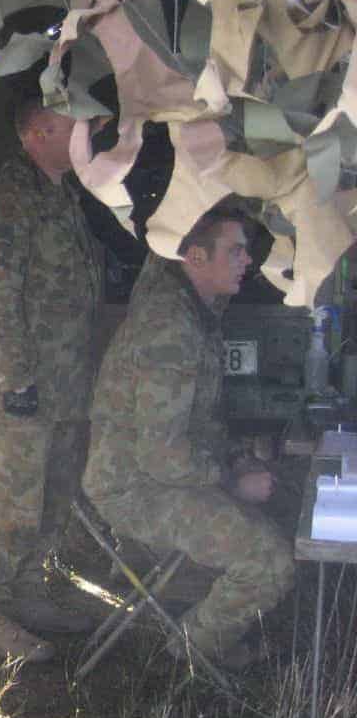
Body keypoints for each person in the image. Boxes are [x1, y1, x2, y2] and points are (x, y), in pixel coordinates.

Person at [83, 207, 295, 668]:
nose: (248, 261)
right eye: (235, 251)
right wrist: (232, 482)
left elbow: (197, 426)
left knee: (281, 504)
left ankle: (207, 630)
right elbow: (161, 453)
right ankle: (193, 652)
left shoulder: (195, 312)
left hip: (162, 476)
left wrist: (237, 459)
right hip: (136, 487)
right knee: (269, 560)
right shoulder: (170, 327)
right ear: (196, 257)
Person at [0, 98, 103, 663]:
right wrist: (16, 378)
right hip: (18, 388)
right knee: (4, 502)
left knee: (49, 496)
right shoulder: (7, 196)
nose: (88, 132)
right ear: (41, 131)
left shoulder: (61, 192)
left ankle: (27, 592)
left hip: (63, 384)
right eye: (76, 124)